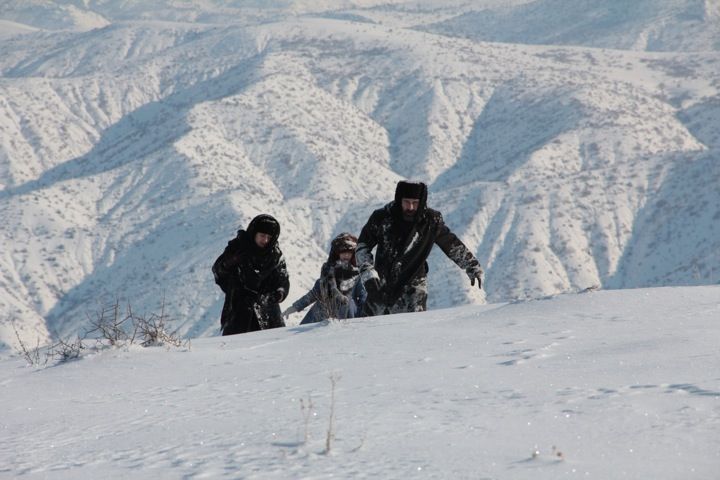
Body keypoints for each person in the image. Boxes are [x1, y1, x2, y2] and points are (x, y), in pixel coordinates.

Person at [356, 180, 483, 316]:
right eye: (406, 202)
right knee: (370, 330)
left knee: (413, 329)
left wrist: (471, 265)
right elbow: (363, 246)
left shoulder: (431, 221)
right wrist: (368, 273)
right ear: (399, 199)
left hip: (414, 286)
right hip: (380, 284)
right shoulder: (382, 218)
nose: (410, 207)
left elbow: (450, 243)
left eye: (415, 203)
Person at [212, 214, 289, 335]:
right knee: (234, 349)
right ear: (254, 233)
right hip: (238, 312)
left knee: (272, 350)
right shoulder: (238, 247)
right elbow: (218, 271)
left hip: (268, 313)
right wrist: (229, 262)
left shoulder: (275, 256)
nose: (265, 240)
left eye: (269, 237)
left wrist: (279, 294)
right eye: (262, 236)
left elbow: (283, 280)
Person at [282, 232, 366, 324]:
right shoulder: (327, 273)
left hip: (349, 316)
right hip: (324, 314)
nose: (346, 256)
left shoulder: (358, 275)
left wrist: (365, 321)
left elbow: (363, 298)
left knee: (347, 303)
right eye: (343, 253)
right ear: (337, 254)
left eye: (348, 253)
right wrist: (294, 307)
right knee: (323, 303)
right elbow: (313, 294)